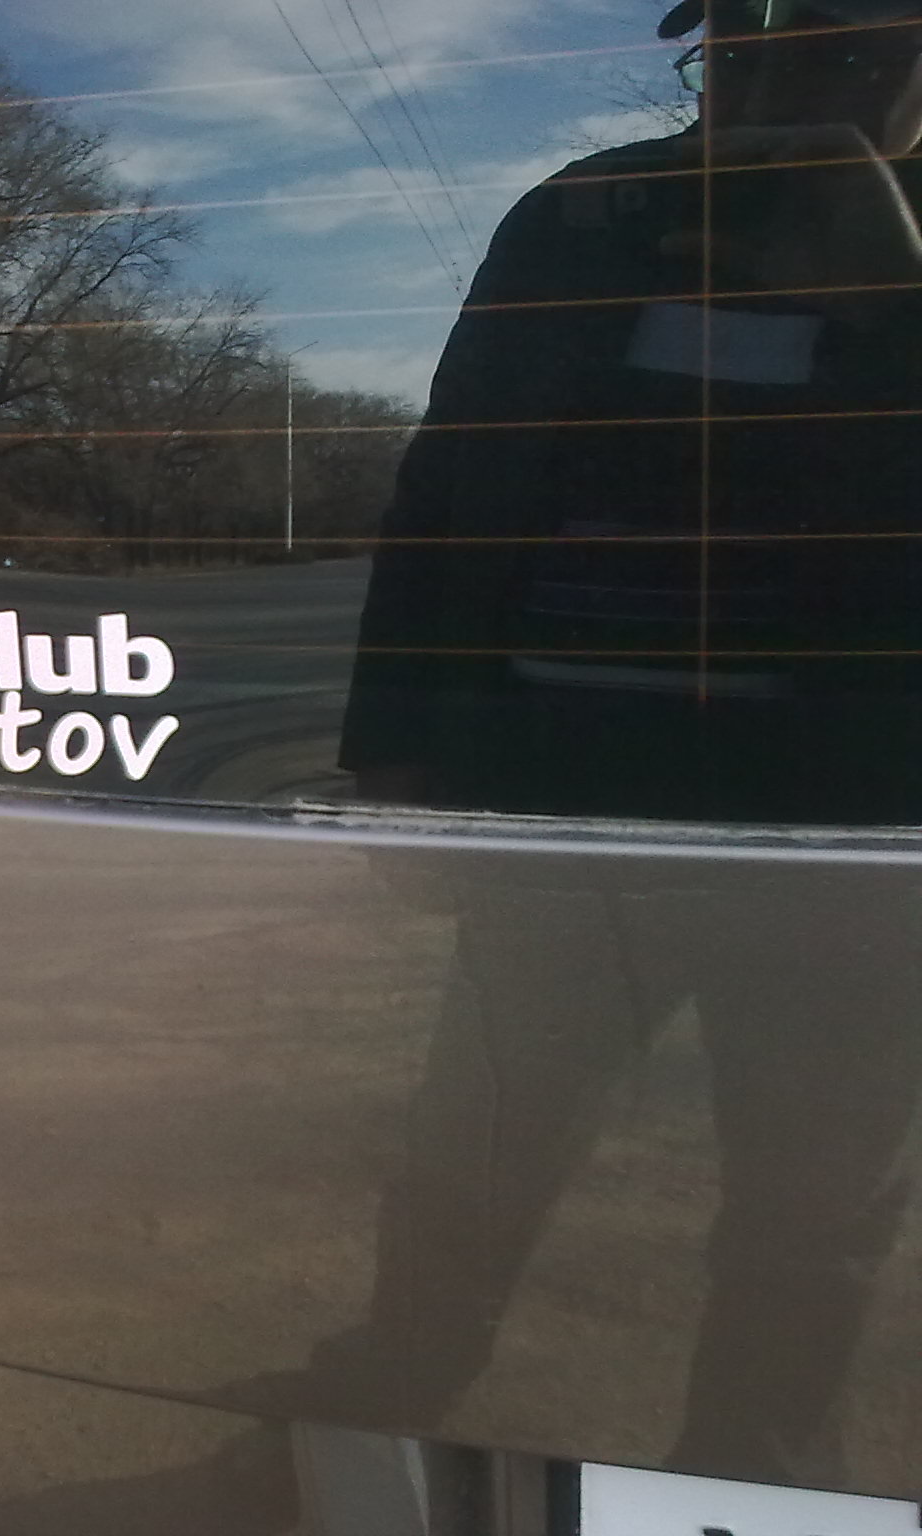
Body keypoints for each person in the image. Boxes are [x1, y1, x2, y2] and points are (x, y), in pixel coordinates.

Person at [284, 0, 922, 1487]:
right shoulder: (583, 216)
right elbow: (446, 486)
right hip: (554, 792)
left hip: (852, 832)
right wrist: (397, 760)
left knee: (813, 1206)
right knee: (479, 1141)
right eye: (743, 42)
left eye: (846, 45)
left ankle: (754, 1482)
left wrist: (889, 284)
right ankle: (399, 1398)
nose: (778, 73)